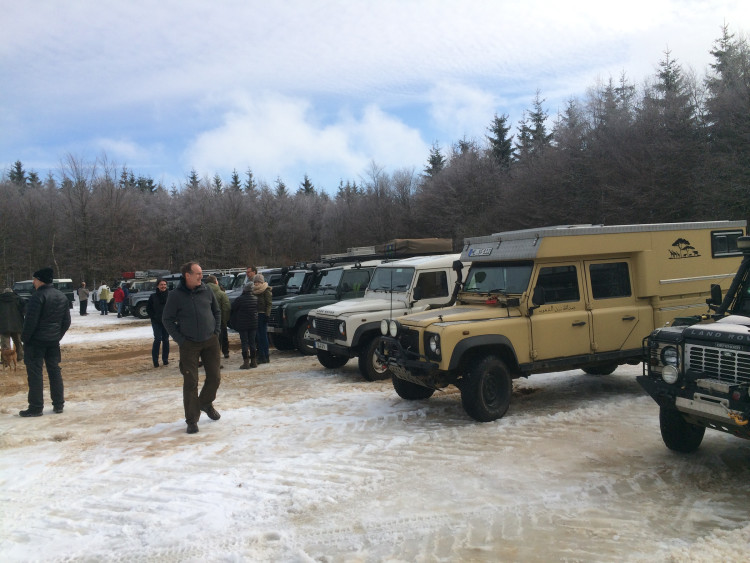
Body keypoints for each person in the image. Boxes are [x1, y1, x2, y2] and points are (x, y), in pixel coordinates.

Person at [162, 261, 221, 434]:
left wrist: (216, 331)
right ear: (187, 275)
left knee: (215, 377)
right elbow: (167, 319)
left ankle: (205, 402)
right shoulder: (175, 295)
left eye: (201, 273)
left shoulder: (207, 290)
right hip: (189, 344)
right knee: (191, 382)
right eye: (197, 274)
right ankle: (192, 420)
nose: (201, 277)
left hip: (210, 341)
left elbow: (217, 311)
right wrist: (181, 340)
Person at [19, 267, 71, 417]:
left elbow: (30, 322)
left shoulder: (37, 296)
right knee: (54, 371)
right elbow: (66, 321)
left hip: (36, 342)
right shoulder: (61, 296)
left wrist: (25, 339)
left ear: (40, 280)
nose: (33, 282)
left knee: (35, 374)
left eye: (34, 279)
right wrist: (56, 336)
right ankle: (58, 404)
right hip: (53, 342)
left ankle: (36, 407)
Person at [229, 282, 258, 369]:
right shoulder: (255, 299)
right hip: (253, 324)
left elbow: (233, 307)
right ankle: (254, 361)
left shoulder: (240, 299)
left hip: (243, 325)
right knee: (252, 342)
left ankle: (246, 362)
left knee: (244, 343)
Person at [146, 278, 170, 368]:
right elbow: (148, 308)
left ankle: (165, 359)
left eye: (164, 284)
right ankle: (155, 361)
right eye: (161, 285)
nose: (163, 286)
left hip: (166, 322)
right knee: (157, 339)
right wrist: (153, 316)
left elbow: (174, 307)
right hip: (156, 321)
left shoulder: (170, 295)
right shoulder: (153, 296)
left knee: (166, 340)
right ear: (157, 286)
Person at [206, 275, 231, 359]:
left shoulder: (202, 293)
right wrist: (225, 320)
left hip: (206, 322)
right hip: (219, 320)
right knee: (222, 337)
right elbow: (226, 308)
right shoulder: (221, 293)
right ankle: (225, 352)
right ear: (215, 282)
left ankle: (208, 356)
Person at [0, 287, 25, 362]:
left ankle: (6, 360)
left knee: (5, 344)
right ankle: (20, 357)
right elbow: (24, 310)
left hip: (3, 325)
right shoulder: (18, 299)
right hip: (17, 324)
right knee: (18, 342)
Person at [253, 273, 273, 364]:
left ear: (261, 282)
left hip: (263, 315)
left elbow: (269, 304)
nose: (256, 284)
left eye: (258, 282)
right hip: (256, 315)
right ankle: (261, 355)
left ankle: (266, 355)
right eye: (255, 282)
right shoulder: (253, 291)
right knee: (258, 336)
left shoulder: (266, 290)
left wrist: (267, 315)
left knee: (263, 336)